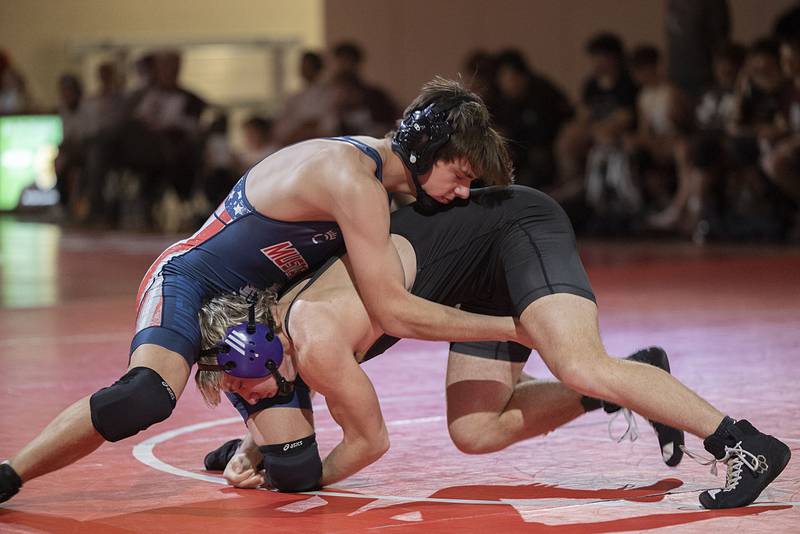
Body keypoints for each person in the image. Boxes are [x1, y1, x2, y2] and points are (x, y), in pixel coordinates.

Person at [0, 77, 524, 505]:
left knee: (296, 474)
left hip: (254, 328)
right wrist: (512, 328)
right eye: (459, 177)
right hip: (192, 282)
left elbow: (322, 325)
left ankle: (253, 442)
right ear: (425, 150)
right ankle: (11, 473)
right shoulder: (352, 182)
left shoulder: (376, 191)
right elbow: (394, 312)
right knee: (145, 396)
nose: (461, 194)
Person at [195, 185, 789, 509]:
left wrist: (294, 479)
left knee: (578, 361)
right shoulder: (279, 332)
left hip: (515, 232)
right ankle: (632, 387)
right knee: (475, 430)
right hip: (472, 278)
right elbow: (286, 396)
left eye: (243, 388)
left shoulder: (315, 338)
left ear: (257, 350)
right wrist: (260, 445)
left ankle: (748, 446)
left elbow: (371, 441)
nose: (248, 400)